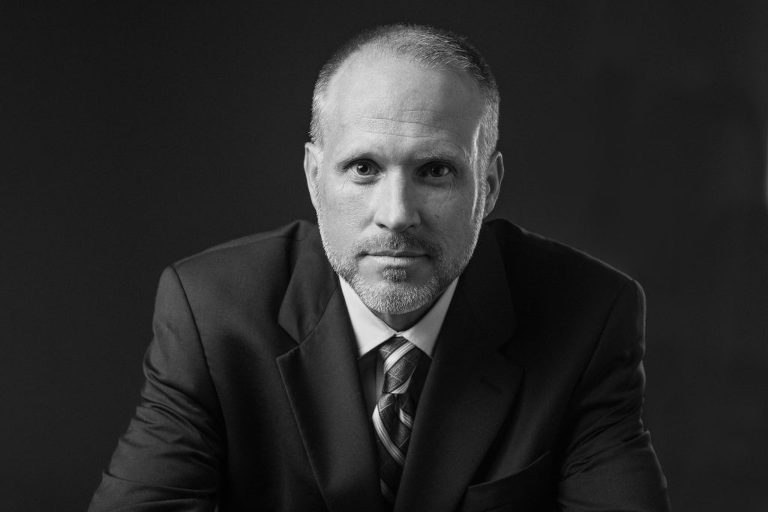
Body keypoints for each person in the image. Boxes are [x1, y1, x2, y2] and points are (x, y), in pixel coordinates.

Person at [89, 24, 670, 512]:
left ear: (487, 187)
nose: (396, 216)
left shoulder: (588, 317)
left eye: (436, 171)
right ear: (316, 179)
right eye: (364, 168)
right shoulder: (211, 312)